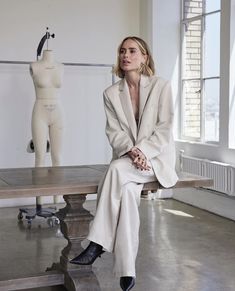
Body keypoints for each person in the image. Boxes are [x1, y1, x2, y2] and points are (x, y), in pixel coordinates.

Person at [70, 36, 178, 291]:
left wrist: (143, 151)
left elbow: (164, 129)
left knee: (116, 169)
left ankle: (97, 243)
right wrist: (131, 151)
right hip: (130, 160)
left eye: (132, 51)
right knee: (127, 194)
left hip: (156, 159)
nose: (125, 55)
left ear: (144, 57)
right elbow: (114, 132)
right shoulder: (110, 93)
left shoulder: (161, 86)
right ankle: (127, 272)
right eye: (121, 51)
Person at [30, 49, 64, 204]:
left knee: (57, 157)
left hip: (58, 113)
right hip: (40, 112)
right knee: (40, 157)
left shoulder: (61, 66)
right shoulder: (34, 66)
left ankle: (57, 201)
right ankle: (40, 202)